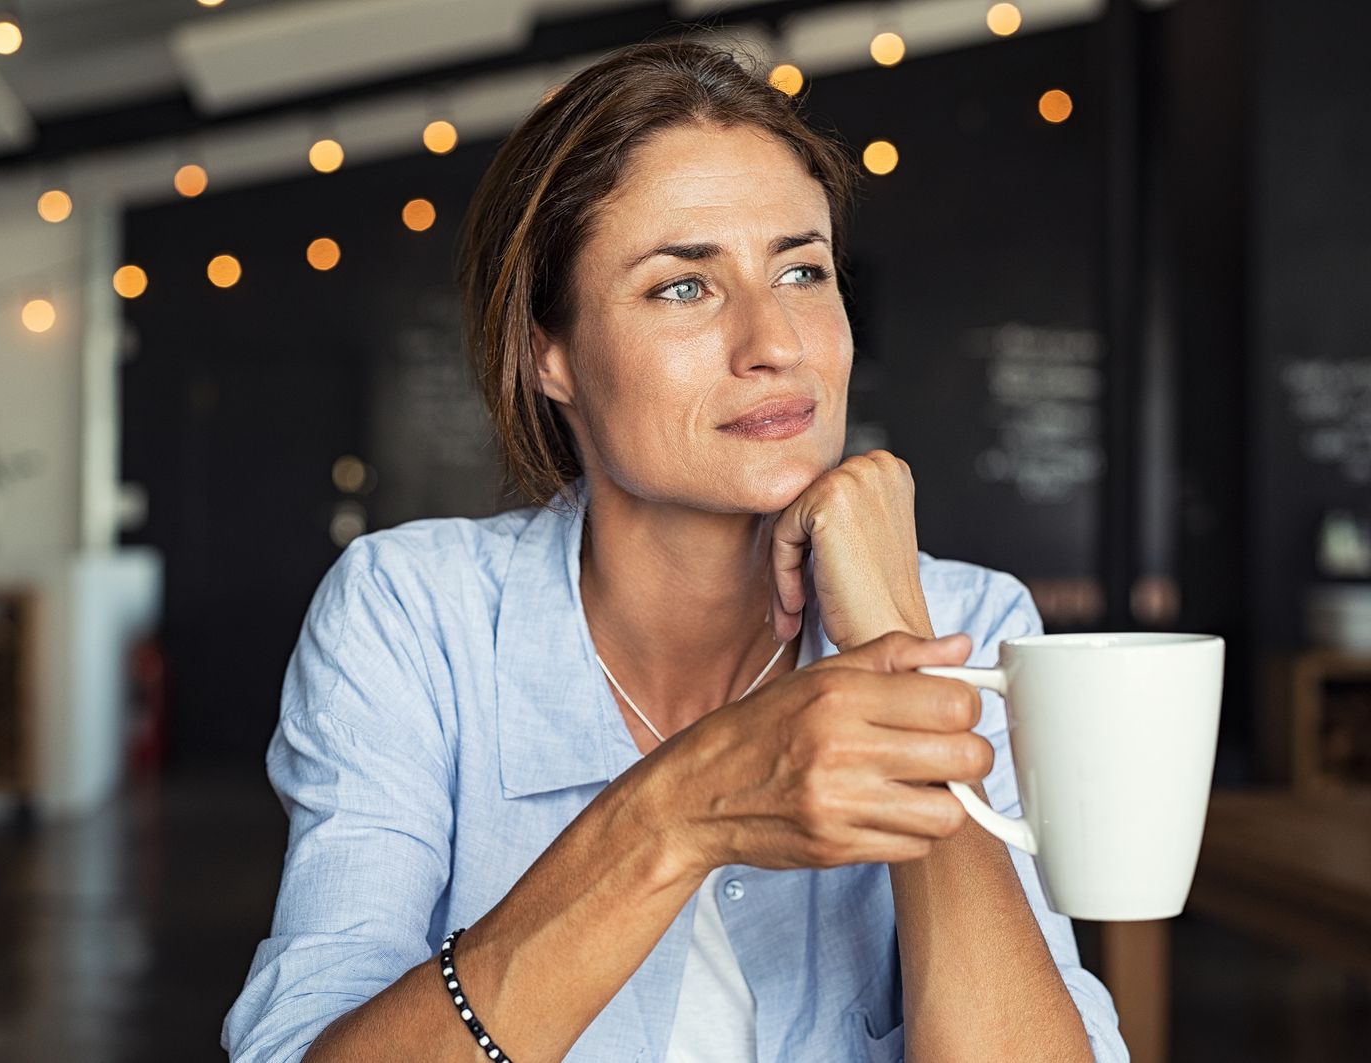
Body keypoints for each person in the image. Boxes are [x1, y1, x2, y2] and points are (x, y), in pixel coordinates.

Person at [223, 38, 1126, 1063]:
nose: (774, 341)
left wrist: (889, 628)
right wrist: (679, 814)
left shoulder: (972, 624)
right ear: (545, 352)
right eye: (682, 288)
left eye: (802, 270)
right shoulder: (412, 615)